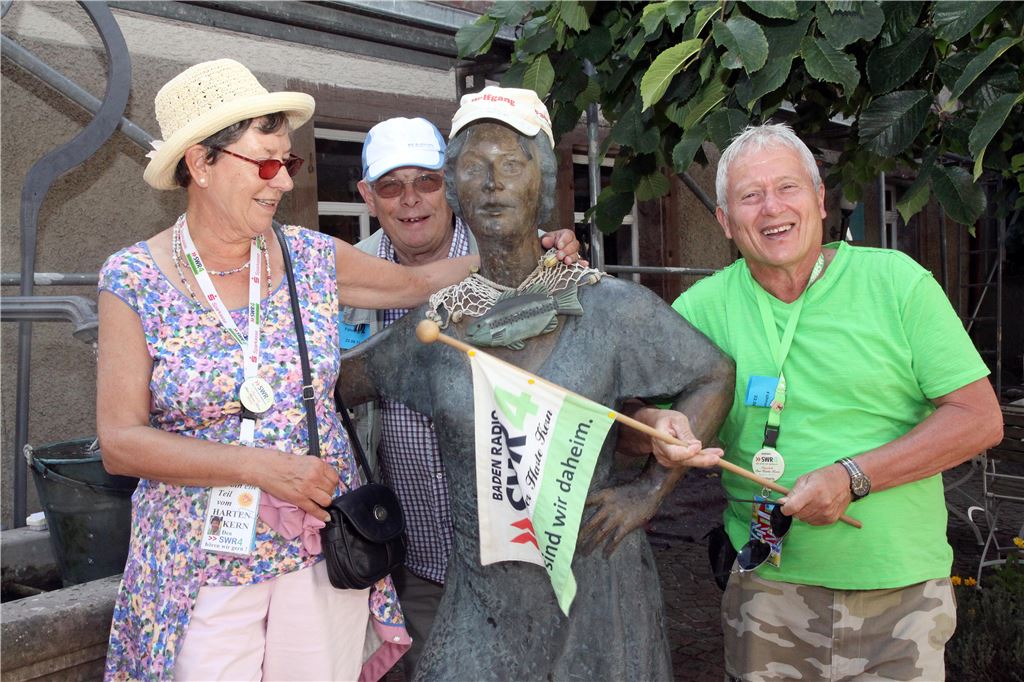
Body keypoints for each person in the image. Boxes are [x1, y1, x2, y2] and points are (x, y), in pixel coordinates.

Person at [96, 59, 577, 681]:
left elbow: (415, 283)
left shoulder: (308, 255)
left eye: (287, 165)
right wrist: (253, 466)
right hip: (198, 564)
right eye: (263, 165)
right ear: (200, 164)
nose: (280, 183)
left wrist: (528, 249)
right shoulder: (133, 279)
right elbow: (119, 441)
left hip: (319, 553)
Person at [339, 86, 735, 680]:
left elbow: (713, 373)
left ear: (543, 181)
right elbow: (331, 387)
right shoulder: (437, 327)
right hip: (480, 593)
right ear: (457, 187)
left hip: (596, 588)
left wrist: (649, 492)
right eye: (474, 167)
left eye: (513, 164)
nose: (493, 182)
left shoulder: (608, 307)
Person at [637, 123, 1004, 681]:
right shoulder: (701, 309)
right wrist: (653, 424)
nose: (771, 208)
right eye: (749, 196)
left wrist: (853, 476)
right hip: (767, 590)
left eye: (788, 188)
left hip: (900, 595)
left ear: (820, 199)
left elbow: (979, 419)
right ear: (725, 222)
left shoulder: (897, 283)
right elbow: (632, 415)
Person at [340, 116, 579, 676]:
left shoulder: (523, 256)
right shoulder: (349, 280)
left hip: (524, 552)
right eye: (391, 186)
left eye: (425, 181)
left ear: (448, 183)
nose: (411, 201)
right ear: (367, 196)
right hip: (417, 558)